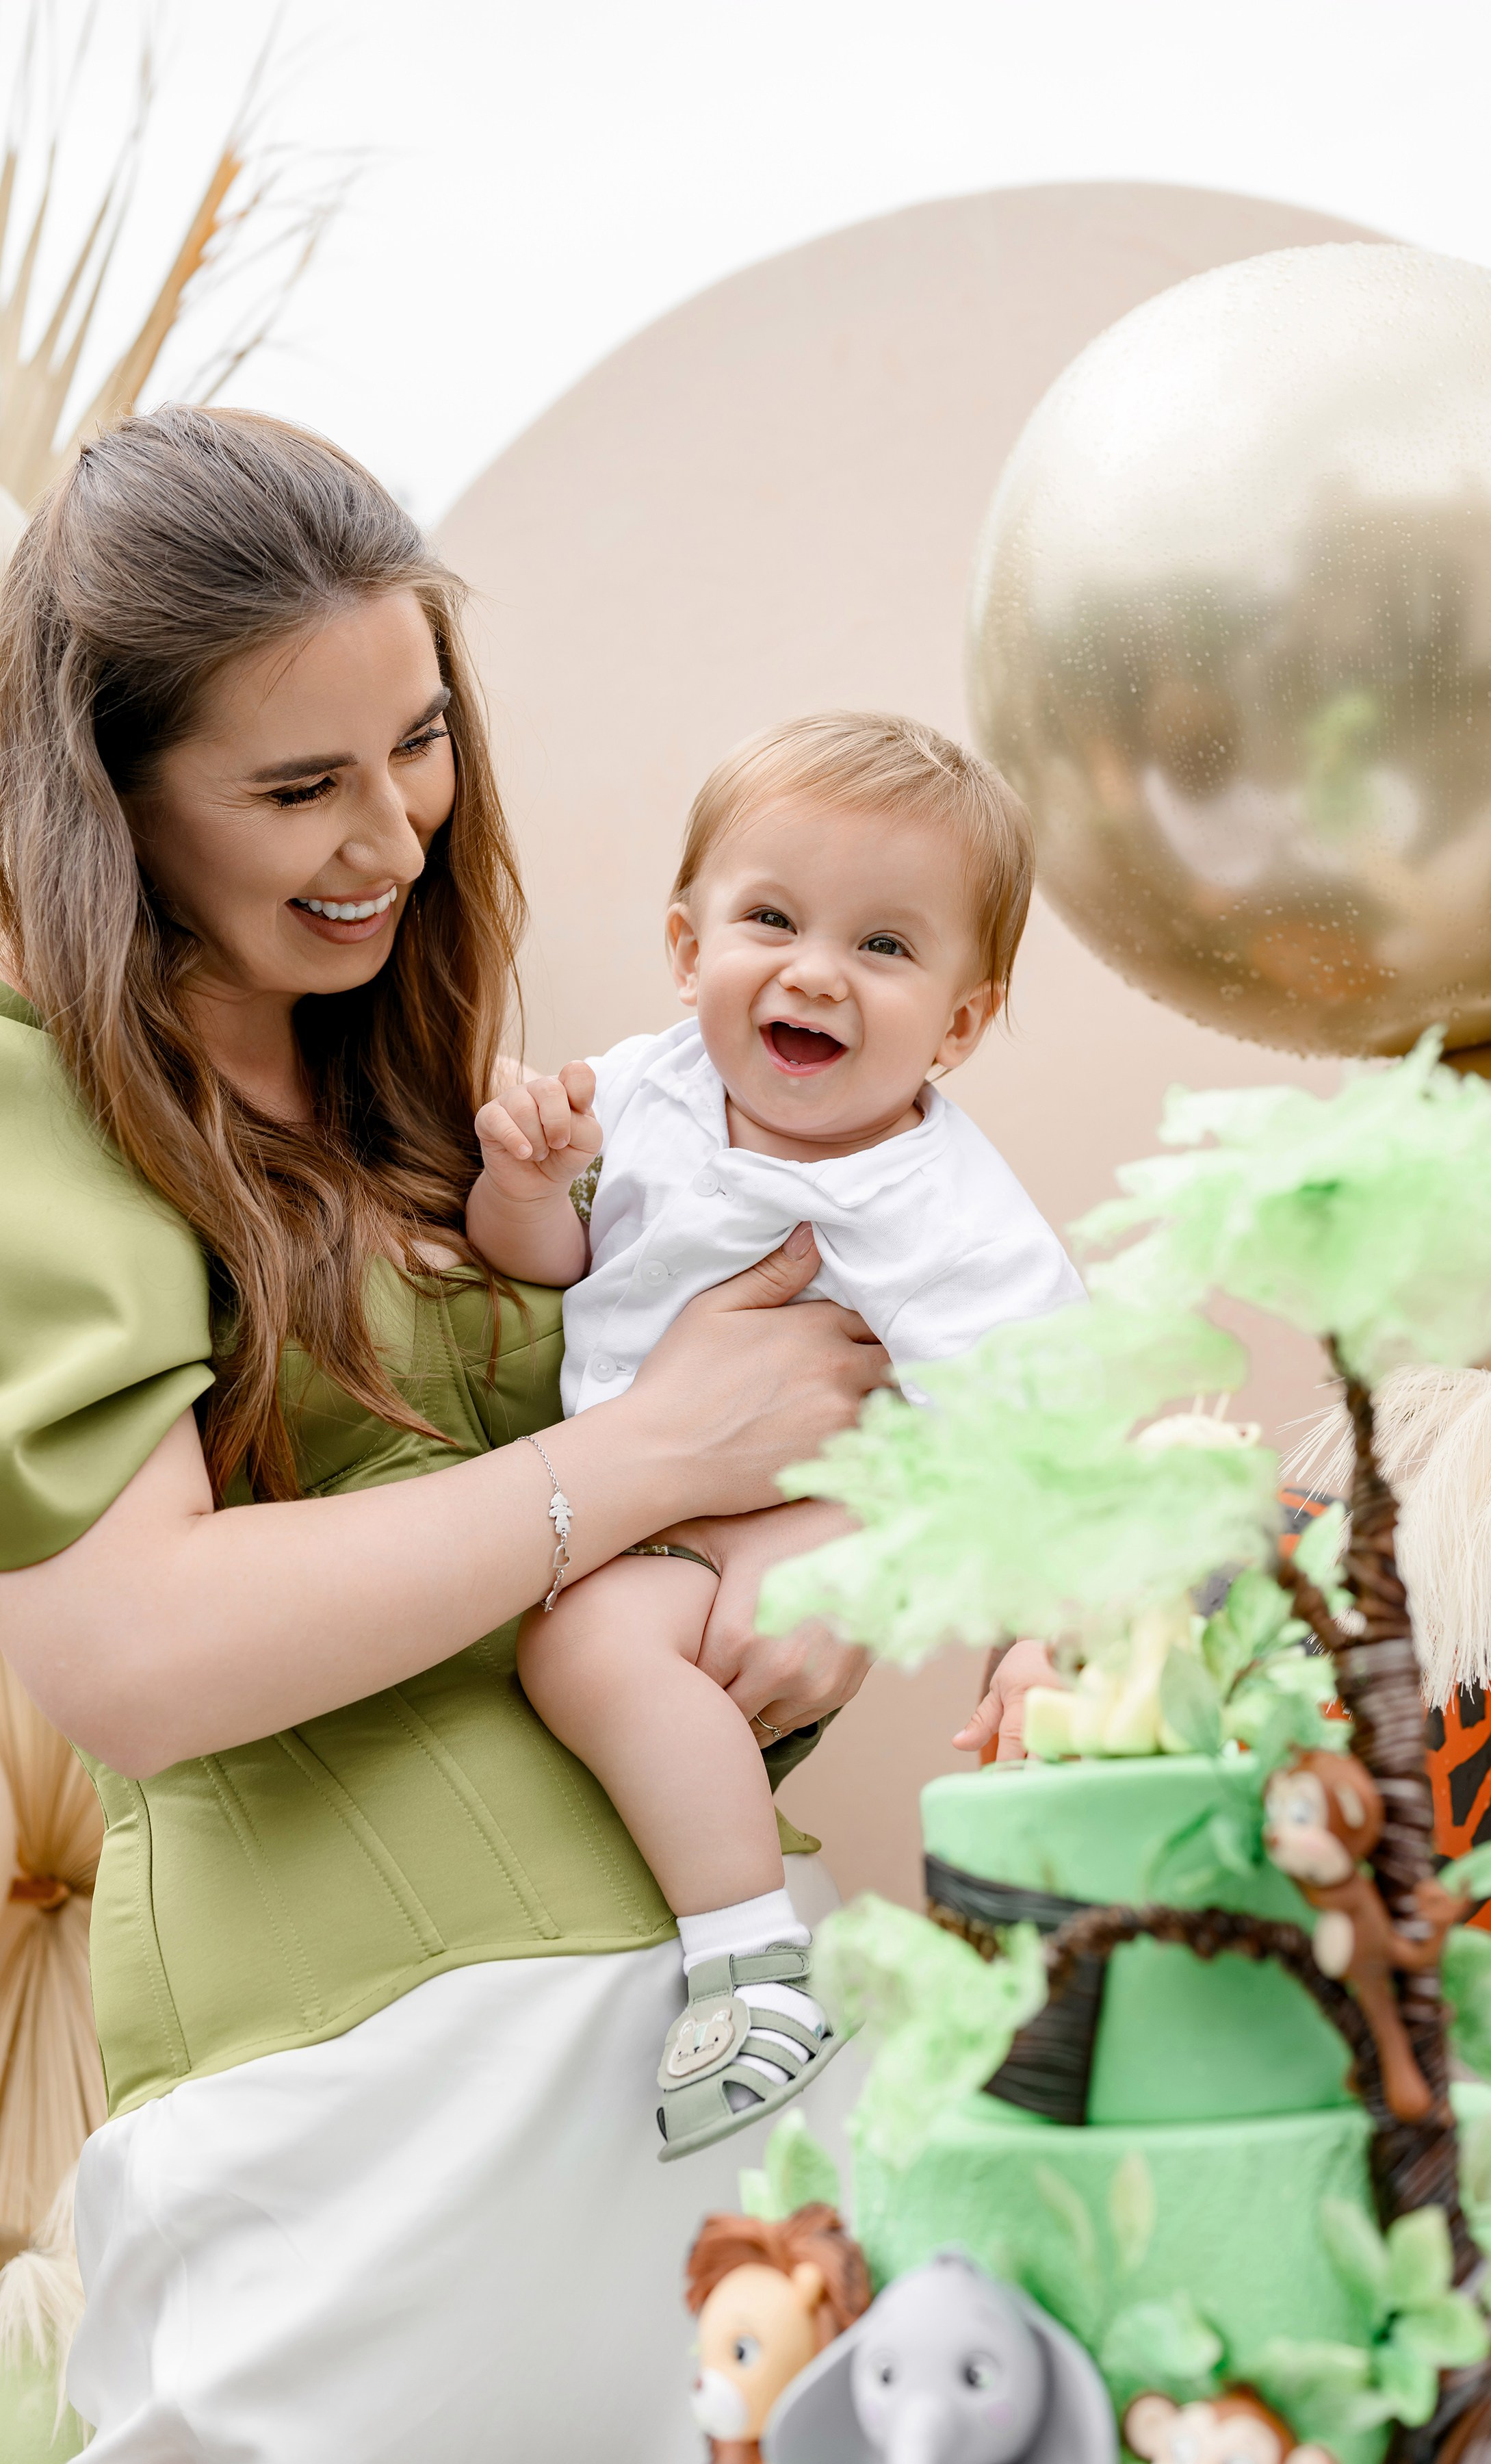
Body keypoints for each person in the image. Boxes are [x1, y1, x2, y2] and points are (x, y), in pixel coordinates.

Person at [0, 406, 887, 2462]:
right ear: (107, 803)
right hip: (375, 2139)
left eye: (418, 739)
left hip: (713, 2060)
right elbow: (132, 1658)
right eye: (299, 785)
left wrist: (795, 1606)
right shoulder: (36, 1111)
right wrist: (648, 1464)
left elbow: (618, 1504)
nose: (391, 837)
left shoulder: (423, 1082)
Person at [464, 713, 1086, 2158]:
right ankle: (732, 1931)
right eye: (772, 919)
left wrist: (1033, 1641)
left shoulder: (943, 1210)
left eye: (885, 946)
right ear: (689, 951)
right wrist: (524, 1179)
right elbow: (551, 1265)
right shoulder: (645, 1092)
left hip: (754, 1533)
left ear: (961, 1021)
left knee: (578, 1646)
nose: (815, 970)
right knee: (575, 1652)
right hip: (637, 1493)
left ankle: (749, 1959)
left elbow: (1041, 1436)